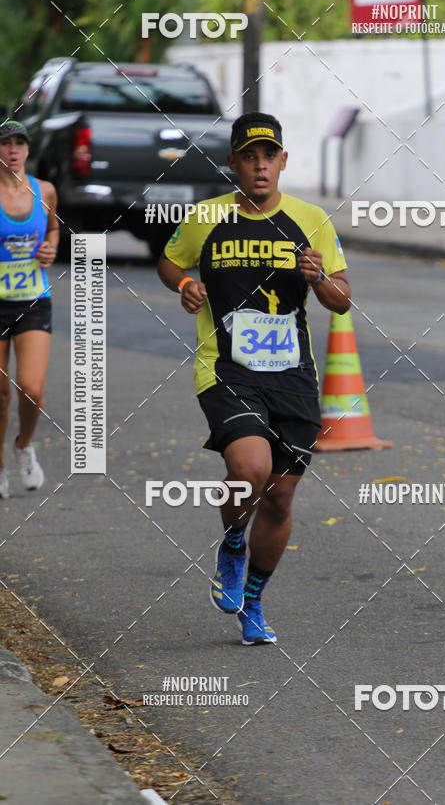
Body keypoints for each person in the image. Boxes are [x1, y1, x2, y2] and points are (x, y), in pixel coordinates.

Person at [158, 112, 351, 645]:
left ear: (283, 162)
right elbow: (170, 262)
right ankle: (233, 543)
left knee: (282, 498)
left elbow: (342, 299)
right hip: (226, 369)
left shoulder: (311, 219)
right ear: (233, 164)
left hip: (292, 376)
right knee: (251, 470)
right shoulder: (206, 218)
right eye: (249, 156)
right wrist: (185, 285)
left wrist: (318, 280)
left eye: (269, 156)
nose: (260, 165)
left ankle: (255, 602)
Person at [0, 120, 58, 496]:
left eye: (20, 143)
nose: (13, 150)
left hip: (34, 299)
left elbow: (53, 228)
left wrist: (52, 247)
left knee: (31, 389)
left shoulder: (45, 190)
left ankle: (24, 445)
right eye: (6, 143)